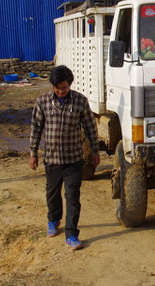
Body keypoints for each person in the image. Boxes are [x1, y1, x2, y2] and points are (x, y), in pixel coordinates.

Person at [29, 65, 99, 250]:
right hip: (52, 160)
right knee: (52, 195)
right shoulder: (43, 101)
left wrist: (95, 151)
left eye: (64, 88)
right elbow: (36, 128)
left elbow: (91, 127)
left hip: (74, 160)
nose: (61, 92)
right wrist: (33, 153)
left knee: (73, 197)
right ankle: (53, 219)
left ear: (70, 85)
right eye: (57, 88)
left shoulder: (80, 101)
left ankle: (72, 235)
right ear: (52, 86)